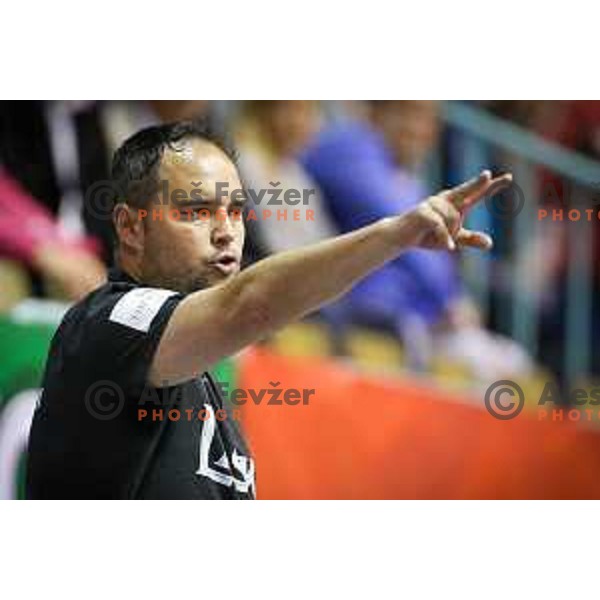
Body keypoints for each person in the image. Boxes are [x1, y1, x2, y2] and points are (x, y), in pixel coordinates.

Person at [25, 121, 511, 499]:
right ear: (130, 228)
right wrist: (394, 235)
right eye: (196, 211)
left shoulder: (203, 378)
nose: (226, 232)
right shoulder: (106, 323)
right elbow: (249, 305)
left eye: (235, 212)